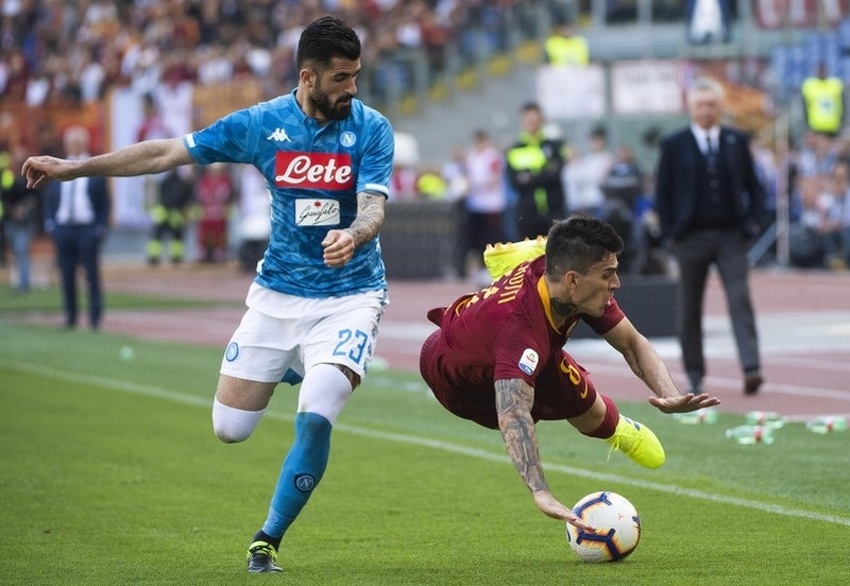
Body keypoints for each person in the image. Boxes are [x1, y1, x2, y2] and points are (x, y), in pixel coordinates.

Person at [23, 16, 395, 574]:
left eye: (356, 75)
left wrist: (356, 232)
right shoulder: (261, 124)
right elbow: (164, 154)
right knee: (230, 428)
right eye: (342, 78)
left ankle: (267, 538)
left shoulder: (371, 127)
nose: (353, 89)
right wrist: (77, 168)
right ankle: (295, 362)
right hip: (277, 294)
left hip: (351, 294)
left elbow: (374, 204)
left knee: (318, 409)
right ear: (308, 76)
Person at [419, 216, 720, 528]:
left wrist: (669, 395)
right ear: (573, 280)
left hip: (516, 338)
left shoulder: (567, 282)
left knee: (584, 405)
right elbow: (513, 413)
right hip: (460, 386)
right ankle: (619, 427)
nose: (616, 283)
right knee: (576, 405)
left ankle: (515, 265)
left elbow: (632, 342)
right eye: (608, 275)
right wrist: (540, 490)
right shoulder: (520, 331)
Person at [654, 77, 766, 396]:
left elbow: (754, 188)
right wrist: (670, 234)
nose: (706, 110)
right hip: (690, 237)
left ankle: (751, 367)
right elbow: (663, 194)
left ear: (720, 107)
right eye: (701, 104)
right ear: (691, 107)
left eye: (712, 104)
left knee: (739, 299)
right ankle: (694, 374)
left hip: (731, 236)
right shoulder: (674, 145)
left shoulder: (736, 140)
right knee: (689, 308)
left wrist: (751, 225)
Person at [41, 126, 110, 329]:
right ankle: (70, 317)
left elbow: (105, 203)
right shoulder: (57, 168)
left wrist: (99, 229)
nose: (74, 146)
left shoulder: (95, 169)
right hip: (63, 229)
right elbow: (50, 200)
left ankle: (95, 318)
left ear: (85, 143)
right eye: (71, 142)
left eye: (78, 142)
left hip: (87, 229)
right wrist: (51, 225)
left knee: (91, 276)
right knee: (67, 275)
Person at [505, 102, 567, 240]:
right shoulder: (514, 149)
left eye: (535, 119)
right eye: (528, 119)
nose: (532, 123)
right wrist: (543, 173)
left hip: (554, 209)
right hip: (527, 212)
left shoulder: (554, 146)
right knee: (530, 258)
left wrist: (529, 177)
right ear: (522, 121)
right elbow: (514, 181)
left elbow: (555, 175)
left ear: (541, 120)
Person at [145, 166, 194, 265]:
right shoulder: (181, 184)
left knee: (163, 236)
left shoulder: (167, 182)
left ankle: (156, 257)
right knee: (173, 237)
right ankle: (174, 257)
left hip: (168, 213)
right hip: (171, 213)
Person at [801, 63, 844, 138]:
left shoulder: (835, 84)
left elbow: (843, 105)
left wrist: (842, 122)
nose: (821, 73)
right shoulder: (809, 85)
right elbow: (804, 106)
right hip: (815, 126)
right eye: (819, 70)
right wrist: (806, 125)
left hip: (834, 126)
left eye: (823, 70)